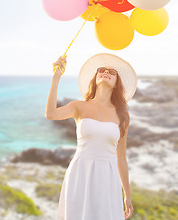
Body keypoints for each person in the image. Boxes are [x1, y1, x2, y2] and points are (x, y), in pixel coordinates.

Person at [45, 53, 136, 220]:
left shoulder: (122, 115)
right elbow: (50, 114)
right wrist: (56, 78)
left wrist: (127, 195)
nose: (106, 72)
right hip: (81, 172)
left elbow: (121, 158)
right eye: (101, 70)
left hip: (108, 177)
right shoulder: (79, 106)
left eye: (112, 72)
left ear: (117, 84)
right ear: (95, 78)